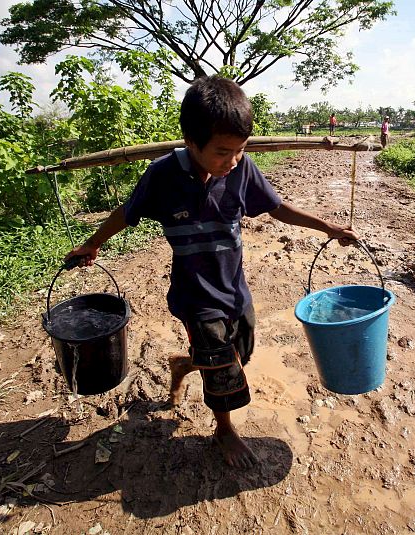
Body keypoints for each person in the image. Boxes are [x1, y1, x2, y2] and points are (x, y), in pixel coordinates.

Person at [64, 76, 358, 469]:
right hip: (195, 296)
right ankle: (224, 430)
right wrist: (93, 243)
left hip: (234, 290)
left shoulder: (241, 170)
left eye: (240, 150)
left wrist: (329, 228)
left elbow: (277, 208)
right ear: (191, 142)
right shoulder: (163, 175)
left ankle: (185, 364)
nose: (232, 160)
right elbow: (127, 213)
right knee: (223, 371)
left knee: (239, 355)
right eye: (222, 152)